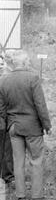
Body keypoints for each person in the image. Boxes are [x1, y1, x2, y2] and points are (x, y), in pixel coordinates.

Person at [0, 50, 52, 200]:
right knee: (36, 160)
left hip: (14, 127)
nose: (29, 62)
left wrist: (8, 123)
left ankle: (20, 196)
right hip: (32, 128)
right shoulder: (33, 78)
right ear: (23, 63)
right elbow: (40, 105)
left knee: (18, 161)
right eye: (28, 60)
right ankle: (37, 197)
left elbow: (1, 109)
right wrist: (47, 125)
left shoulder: (4, 81)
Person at [0, 55, 14, 184]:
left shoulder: (6, 79)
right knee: (6, 148)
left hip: (4, 119)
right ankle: (8, 176)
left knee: (6, 148)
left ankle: (7, 175)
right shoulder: (6, 79)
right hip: (4, 119)